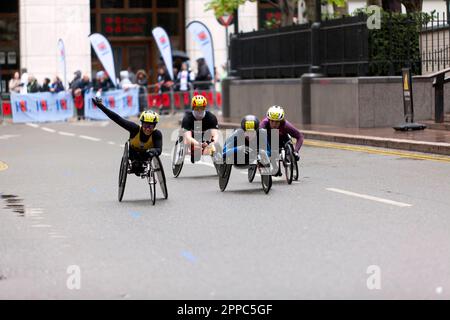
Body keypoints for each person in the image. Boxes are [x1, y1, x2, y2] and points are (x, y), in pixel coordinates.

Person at [91, 97, 162, 176]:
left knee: (148, 155)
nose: (147, 129)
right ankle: (136, 166)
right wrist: (101, 106)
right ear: (141, 124)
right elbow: (117, 118)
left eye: (150, 126)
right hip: (133, 154)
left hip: (146, 155)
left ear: (154, 126)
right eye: (145, 125)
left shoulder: (157, 134)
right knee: (136, 165)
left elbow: (159, 149)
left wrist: (154, 151)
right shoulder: (134, 128)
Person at [259, 105, 304, 176]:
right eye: (272, 121)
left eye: (277, 122)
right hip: (269, 141)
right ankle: (275, 168)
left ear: (281, 121)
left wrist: (296, 151)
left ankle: (287, 158)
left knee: (289, 142)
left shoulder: (285, 125)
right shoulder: (264, 124)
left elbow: (300, 136)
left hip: (283, 140)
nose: (274, 124)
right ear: (268, 119)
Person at [180, 94, 219, 159]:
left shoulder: (211, 117)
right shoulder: (187, 118)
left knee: (211, 147)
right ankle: (192, 151)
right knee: (187, 141)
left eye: (201, 108)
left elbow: (215, 135)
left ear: (205, 107)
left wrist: (211, 143)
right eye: (197, 108)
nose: (199, 110)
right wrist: (197, 144)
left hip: (205, 139)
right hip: (192, 139)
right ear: (193, 107)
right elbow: (188, 137)